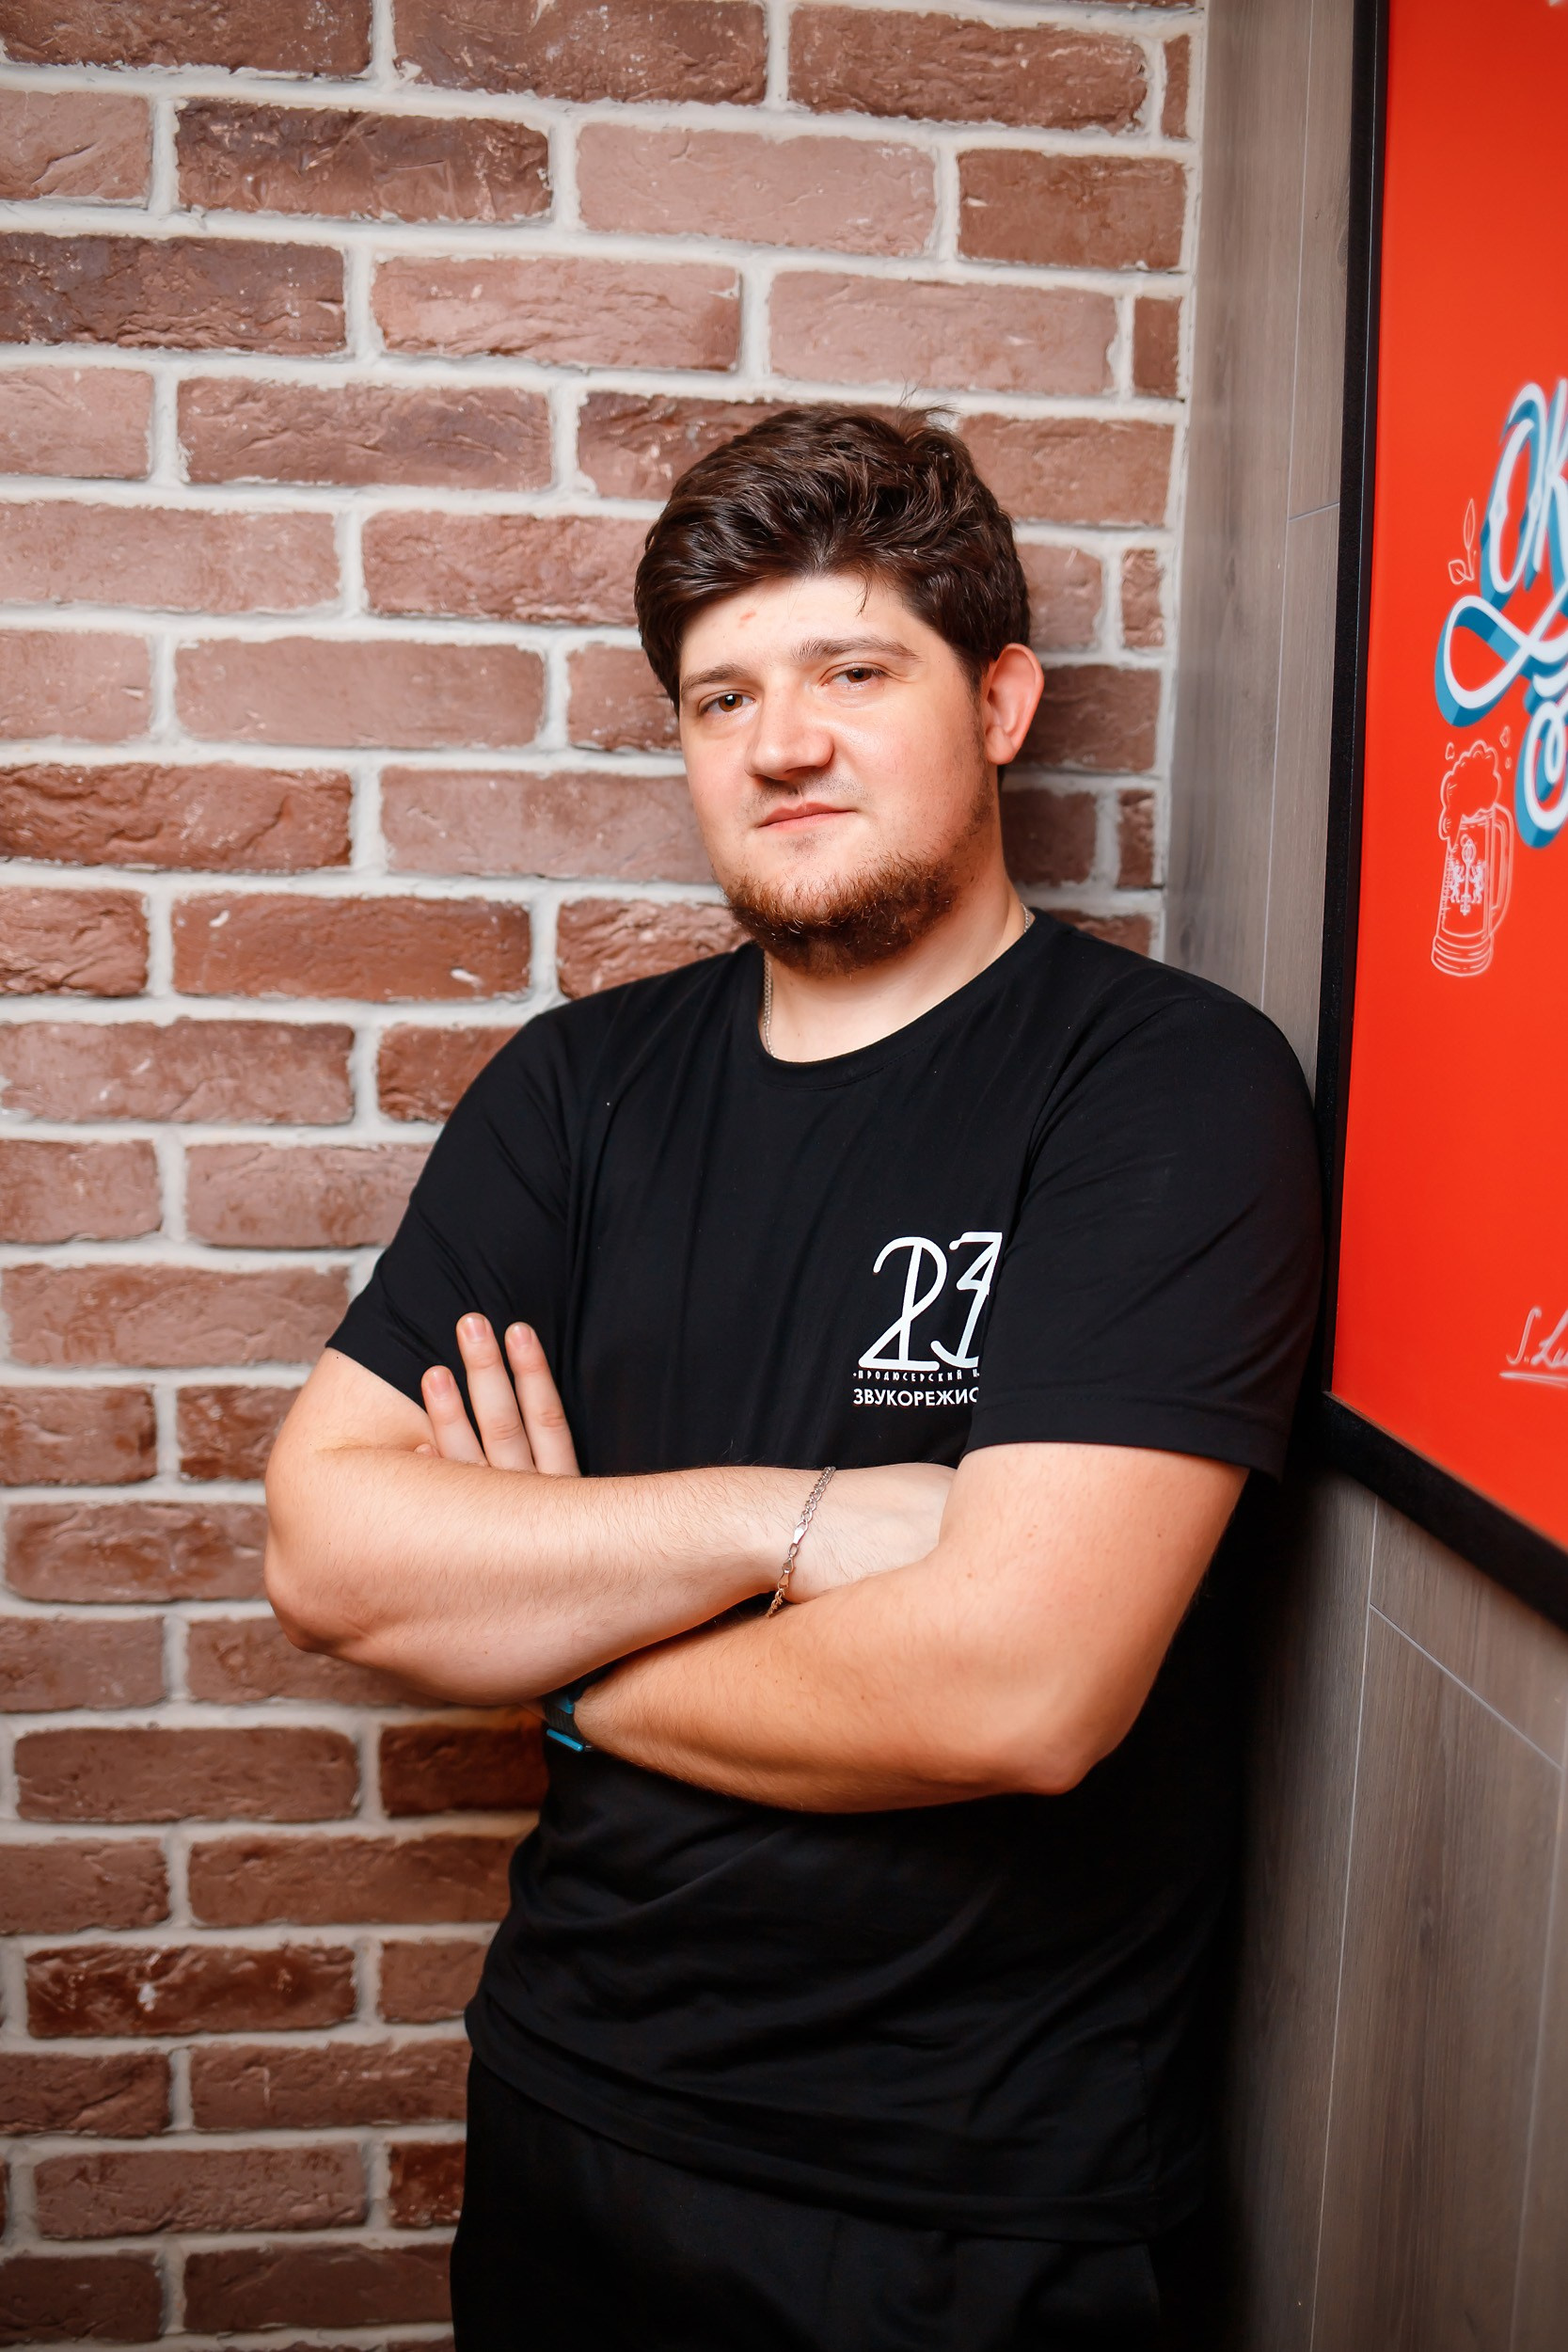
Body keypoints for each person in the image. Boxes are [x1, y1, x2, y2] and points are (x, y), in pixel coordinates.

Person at [264, 409, 1322, 2350]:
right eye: (721, 697)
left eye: (854, 671)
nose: (780, 744)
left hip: (974, 2199)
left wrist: (563, 1656)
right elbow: (330, 1553)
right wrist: (802, 1524)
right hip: (570, 2111)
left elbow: (1017, 1687)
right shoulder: (573, 1094)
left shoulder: (1165, 1085)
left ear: (999, 701)